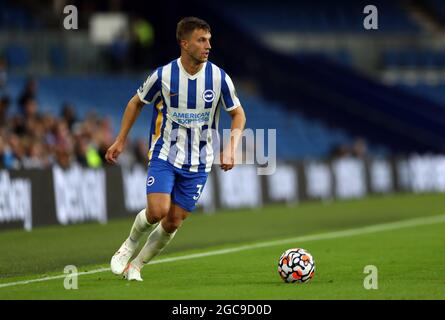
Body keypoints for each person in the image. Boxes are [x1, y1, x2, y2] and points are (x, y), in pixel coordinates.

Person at [105, 17, 246, 281]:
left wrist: (231, 148)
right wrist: (120, 139)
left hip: (200, 161)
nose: (208, 46)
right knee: (157, 210)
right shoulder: (163, 75)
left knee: (172, 222)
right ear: (184, 43)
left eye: (209, 40)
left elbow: (238, 114)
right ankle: (128, 245)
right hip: (165, 153)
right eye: (201, 40)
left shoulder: (218, 78)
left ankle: (136, 265)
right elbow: (135, 103)